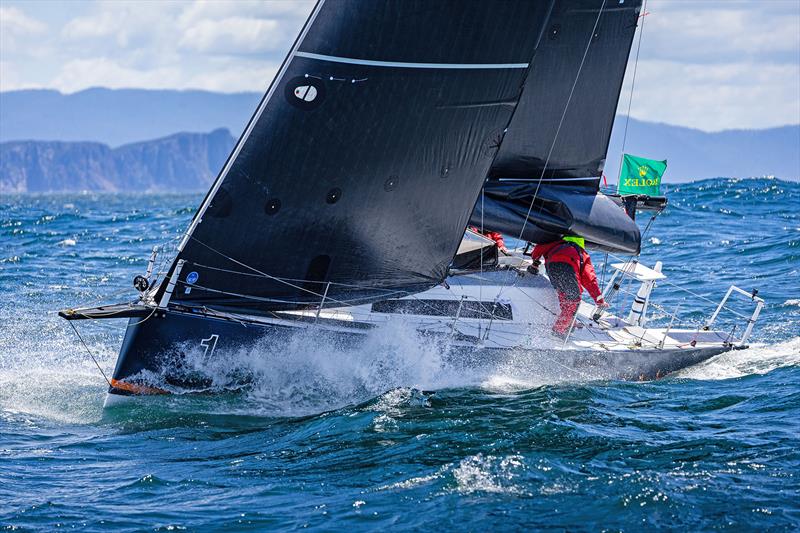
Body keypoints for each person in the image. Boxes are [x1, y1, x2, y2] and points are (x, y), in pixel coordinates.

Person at [528, 235, 608, 338]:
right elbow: (590, 279)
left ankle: (569, 322)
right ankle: (558, 331)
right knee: (573, 301)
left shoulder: (555, 241)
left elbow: (537, 251)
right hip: (567, 267)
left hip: (551, 267)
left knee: (564, 295)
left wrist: (535, 260)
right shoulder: (581, 253)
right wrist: (599, 300)